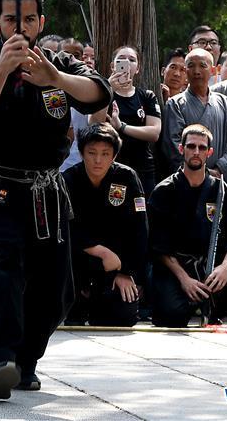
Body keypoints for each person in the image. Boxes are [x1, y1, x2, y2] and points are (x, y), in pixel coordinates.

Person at [0, 0, 110, 399]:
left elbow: (97, 94)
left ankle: (25, 362)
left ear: (41, 22)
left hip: (46, 190)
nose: (18, 27)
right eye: (10, 19)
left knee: (54, 283)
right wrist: (3, 68)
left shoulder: (58, 64)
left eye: (27, 19)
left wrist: (53, 76)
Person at [149, 124, 227, 327]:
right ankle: (193, 304)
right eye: (191, 146)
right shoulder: (164, 191)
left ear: (209, 153)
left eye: (202, 148)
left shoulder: (222, 191)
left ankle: (211, 308)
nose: (196, 152)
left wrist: (226, 267)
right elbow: (159, 245)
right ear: (181, 149)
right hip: (177, 269)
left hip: (212, 268)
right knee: (171, 317)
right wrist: (185, 280)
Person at [63, 123, 147, 326]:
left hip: (117, 264)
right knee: (70, 314)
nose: (98, 160)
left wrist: (126, 271)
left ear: (114, 156)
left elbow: (139, 230)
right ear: (82, 153)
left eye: (105, 153)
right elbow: (65, 228)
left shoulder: (127, 178)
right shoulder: (68, 180)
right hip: (78, 261)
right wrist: (100, 251)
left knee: (122, 317)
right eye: (92, 153)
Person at [161, 49, 227, 193]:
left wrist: (220, 169)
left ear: (213, 70)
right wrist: (202, 172)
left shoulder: (223, 101)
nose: (196, 71)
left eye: (202, 65)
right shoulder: (175, 104)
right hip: (188, 183)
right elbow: (173, 146)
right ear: (185, 71)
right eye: (191, 66)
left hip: (222, 180)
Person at [90, 46, 161, 195]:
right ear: (112, 66)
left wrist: (121, 126)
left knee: (142, 213)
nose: (126, 63)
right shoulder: (103, 93)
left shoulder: (146, 96)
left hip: (142, 168)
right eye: (121, 59)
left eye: (132, 60)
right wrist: (108, 90)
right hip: (110, 166)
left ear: (137, 68)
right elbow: (94, 123)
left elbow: (154, 132)